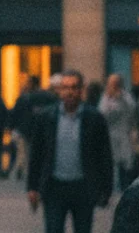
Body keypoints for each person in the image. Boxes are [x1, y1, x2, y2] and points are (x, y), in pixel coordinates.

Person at [27, 70, 114, 233]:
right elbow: (36, 154)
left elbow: (104, 155)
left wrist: (105, 189)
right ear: (59, 90)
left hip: (83, 187)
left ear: (81, 90)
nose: (69, 92)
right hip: (54, 187)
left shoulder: (94, 118)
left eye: (74, 87)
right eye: (65, 87)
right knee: (53, 229)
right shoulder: (47, 117)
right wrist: (32, 187)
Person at [99, 74, 137, 188]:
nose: (114, 85)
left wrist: (120, 97)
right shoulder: (105, 97)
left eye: (116, 82)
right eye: (111, 83)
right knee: (112, 164)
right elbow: (102, 114)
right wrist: (110, 99)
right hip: (110, 136)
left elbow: (132, 109)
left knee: (126, 165)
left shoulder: (126, 96)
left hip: (124, 135)